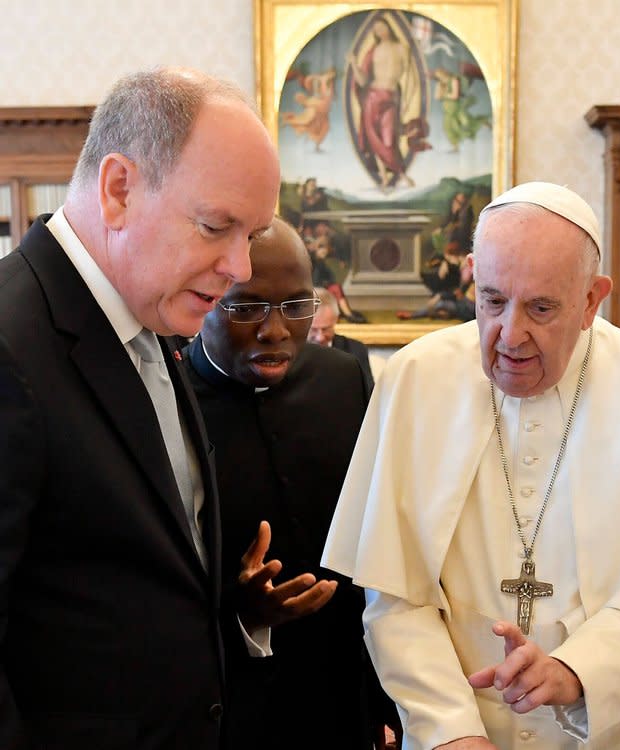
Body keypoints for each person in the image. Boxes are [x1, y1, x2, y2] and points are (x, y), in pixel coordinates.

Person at [323, 181, 620, 749]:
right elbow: (394, 597)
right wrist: (448, 729)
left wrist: (579, 671)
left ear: (591, 299)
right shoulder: (415, 381)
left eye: (542, 307)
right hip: (466, 724)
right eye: (492, 300)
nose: (511, 336)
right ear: (471, 275)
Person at [0, 67, 331, 749]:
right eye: (216, 227)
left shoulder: (147, 322)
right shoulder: (11, 344)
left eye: (253, 233)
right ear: (118, 189)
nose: (240, 266)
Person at [183, 217, 395, 749]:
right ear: (207, 299)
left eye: (297, 306)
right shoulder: (169, 396)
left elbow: (373, 535)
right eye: (248, 307)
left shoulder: (343, 378)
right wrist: (242, 610)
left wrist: (386, 701)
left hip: (339, 687)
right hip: (226, 703)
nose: (275, 330)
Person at [348, 15, 427, 190]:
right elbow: (361, 81)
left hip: (391, 97)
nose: (380, 32)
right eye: (376, 30)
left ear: (389, 28)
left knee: (389, 139)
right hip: (373, 97)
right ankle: (384, 176)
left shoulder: (401, 48)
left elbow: (411, 79)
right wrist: (354, 64)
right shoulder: (373, 51)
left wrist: (407, 100)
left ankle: (401, 173)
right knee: (374, 138)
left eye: (382, 27)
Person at [310, 286, 375, 391]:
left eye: (326, 329)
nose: (320, 337)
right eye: (313, 330)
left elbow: (368, 395)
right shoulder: (289, 351)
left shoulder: (356, 350)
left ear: (336, 320)